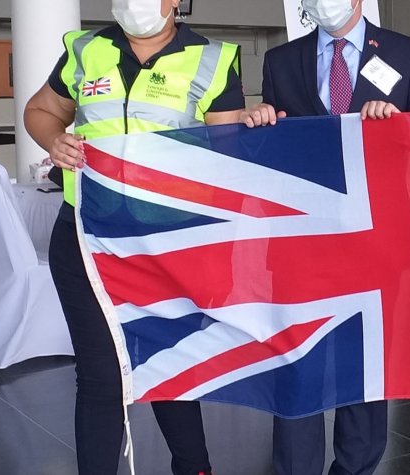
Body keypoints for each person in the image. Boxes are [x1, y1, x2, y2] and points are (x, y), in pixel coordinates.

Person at [22, 0, 246, 473]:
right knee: (101, 372)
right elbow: (41, 110)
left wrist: (252, 123)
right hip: (88, 236)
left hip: (168, 243)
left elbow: (228, 159)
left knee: (170, 359)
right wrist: (53, 139)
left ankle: (194, 466)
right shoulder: (87, 49)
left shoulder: (211, 57)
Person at [242, 0, 410, 473]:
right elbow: (274, 154)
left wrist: (400, 122)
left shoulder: (405, 53)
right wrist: (261, 124)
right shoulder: (281, 61)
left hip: (379, 238)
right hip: (301, 242)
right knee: (297, 366)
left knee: (364, 367)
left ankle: (355, 469)